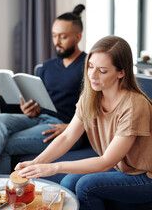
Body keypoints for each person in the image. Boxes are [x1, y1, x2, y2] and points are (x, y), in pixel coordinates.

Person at [16, 36, 152, 210]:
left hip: (145, 177)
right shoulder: (91, 97)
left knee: (85, 186)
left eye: (102, 71)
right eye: (90, 66)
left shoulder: (134, 105)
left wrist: (53, 167)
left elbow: (106, 161)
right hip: (121, 169)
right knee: (67, 182)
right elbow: (67, 137)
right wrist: (37, 162)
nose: (92, 75)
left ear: (121, 72)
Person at [0, 4, 87, 174]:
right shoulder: (48, 66)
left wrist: (70, 127)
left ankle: (4, 191)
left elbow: (96, 108)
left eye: (63, 37)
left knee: (5, 144)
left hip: (65, 127)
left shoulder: (88, 67)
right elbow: (42, 100)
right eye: (54, 36)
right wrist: (31, 111)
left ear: (77, 37)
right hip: (41, 119)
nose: (57, 42)